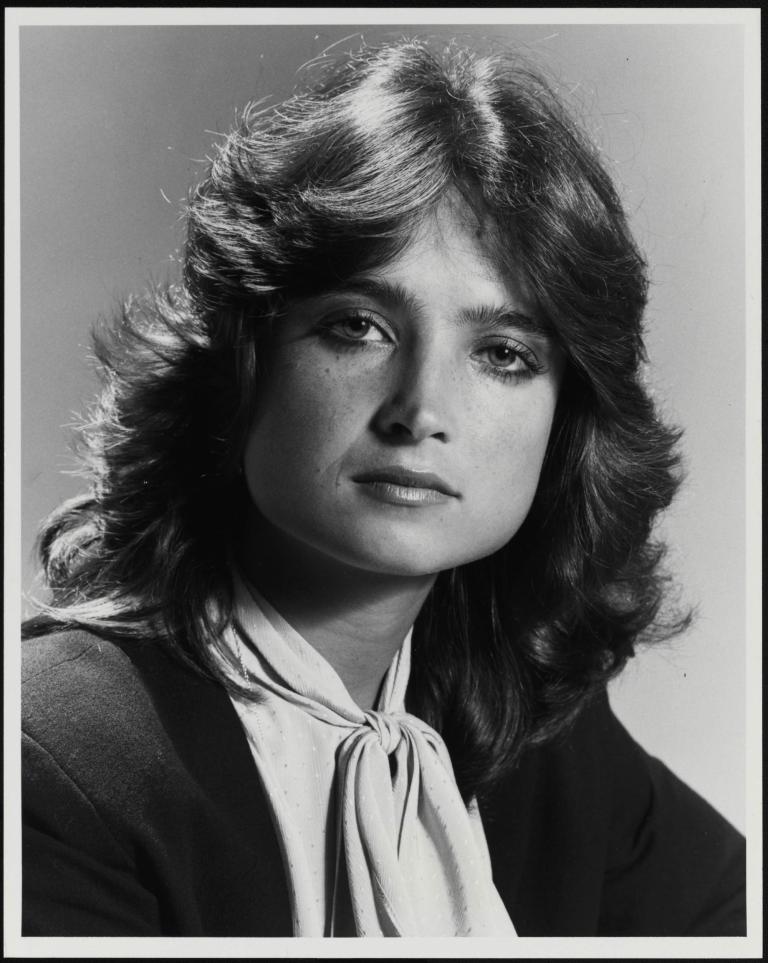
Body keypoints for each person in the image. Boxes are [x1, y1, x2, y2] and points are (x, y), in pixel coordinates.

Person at [21, 37, 746, 938]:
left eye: (502, 354)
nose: (420, 410)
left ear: (566, 421)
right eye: (358, 326)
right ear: (245, 357)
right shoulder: (50, 755)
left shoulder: (522, 724)